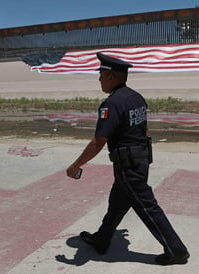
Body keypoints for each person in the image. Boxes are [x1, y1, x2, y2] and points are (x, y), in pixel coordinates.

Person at [66, 52, 189, 265]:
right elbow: (144, 128)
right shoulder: (136, 97)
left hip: (128, 167)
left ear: (112, 77)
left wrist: (76, 165)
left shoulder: (111, 104)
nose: (99, 80)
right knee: (117, 204)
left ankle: (176, 250)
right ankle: (102, 240)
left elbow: (98, 141)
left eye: (102, 75)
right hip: (139, 160)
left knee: (147, 207)